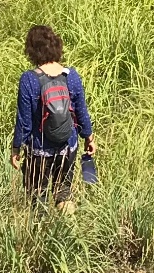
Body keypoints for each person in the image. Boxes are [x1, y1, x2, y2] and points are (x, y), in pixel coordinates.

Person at [11, 24, 95, 211]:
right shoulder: (71, 75)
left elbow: (24, 121)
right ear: (56, 45)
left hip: (39, 150)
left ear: (32, 51)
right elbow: (81, 112)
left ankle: (41, 236)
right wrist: (89, 137)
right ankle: (68, 234)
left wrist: (16, 148)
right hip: (68, 146)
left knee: (37, 196)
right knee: (63, 193)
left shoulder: (29, 79)